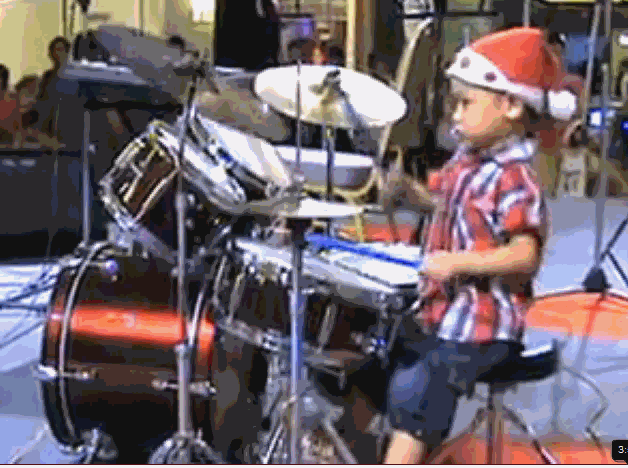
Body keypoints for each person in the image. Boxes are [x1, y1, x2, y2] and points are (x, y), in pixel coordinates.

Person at [384, 27, 579, 464]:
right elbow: (445, 204)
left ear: (511, 106)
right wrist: (407, 193)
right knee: (384, 351)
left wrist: (458, 263)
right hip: (443, 313)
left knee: (421, 385)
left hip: (485, 327)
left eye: (466, 104)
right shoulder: (465, 160)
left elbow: (525, 255)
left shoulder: (515, 176)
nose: (455, 115)